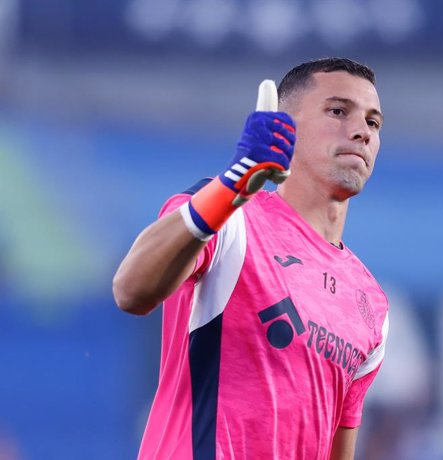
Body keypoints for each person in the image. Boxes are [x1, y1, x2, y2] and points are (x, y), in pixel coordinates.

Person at [113, 57, 389, 460]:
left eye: (373, 122)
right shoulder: (229, 218)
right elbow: (130, 290)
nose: (362, 132)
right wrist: (234, 182)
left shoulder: (371, 305)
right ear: (283, 124)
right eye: (338, 111)